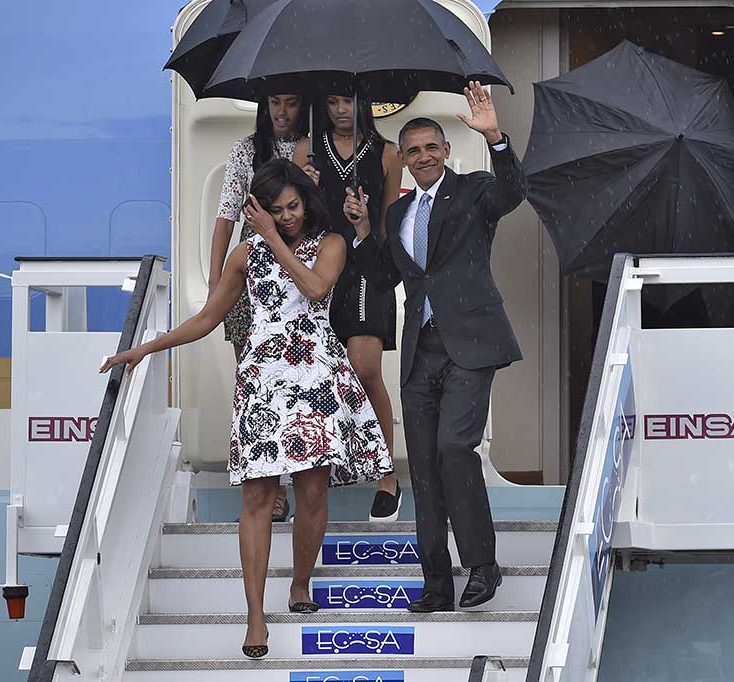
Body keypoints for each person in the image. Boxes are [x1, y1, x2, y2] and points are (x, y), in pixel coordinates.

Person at [101, 159, 393, 657]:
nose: (287, 217)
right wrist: (148, 347)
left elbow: (316, 288)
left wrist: (274, 242)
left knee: (312, 490)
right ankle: (255, 615)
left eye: (293, 206)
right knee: (258, 497)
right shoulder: (245, 254)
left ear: (306, 200)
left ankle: (300, 583)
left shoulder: (331, 243)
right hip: (262, 381)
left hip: (315, 378)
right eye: (276, 211)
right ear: (259, 208)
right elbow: (209, 317)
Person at [343, 82, 526, 612]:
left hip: (471, 343)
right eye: (413, 150)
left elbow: (513, 191)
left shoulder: (473, 192)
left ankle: (482, 565)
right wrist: (360, 232)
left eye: (431, 147)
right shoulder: (397, 215)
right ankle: (436, 584)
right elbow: (384, 278)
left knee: (453, 449)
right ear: (401, 157)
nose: (422, 156)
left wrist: (495, 136)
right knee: (421, 466)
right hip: (420, 349)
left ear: (445, 151)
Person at [292, 94, 403, 521]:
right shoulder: (307, 148)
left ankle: (386, 473)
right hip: (320, 265)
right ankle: (321, 468)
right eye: (333, 101)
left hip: (366, 267)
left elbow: (390, 224)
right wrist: (302, 183)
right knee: (318, 374)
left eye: (348, 101)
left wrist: (365, 220)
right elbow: (293, 214)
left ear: (364, 104)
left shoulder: (388, 153)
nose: (341, 109)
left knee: (365, 368)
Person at [212, 93, 308, 522]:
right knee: (255, 385)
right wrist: (217, 284)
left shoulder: (313, 146)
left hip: (301, 270)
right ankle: (266, 484)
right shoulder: (245, 150)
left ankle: (293, 480)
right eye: (274, 103)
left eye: (290, 103)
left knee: (297, 382)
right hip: (251, 272)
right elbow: (226, 215)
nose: (281, 113)